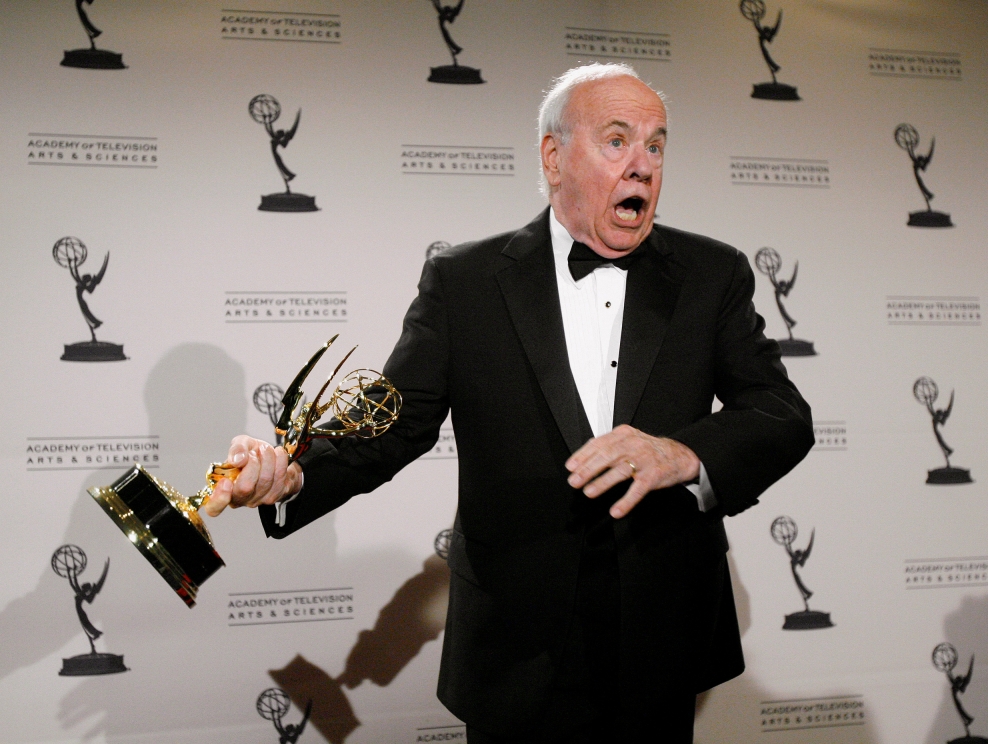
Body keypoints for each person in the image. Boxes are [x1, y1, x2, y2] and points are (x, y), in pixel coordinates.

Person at [205, 63, 813, 742]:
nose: (642, 165)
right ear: (555, 157)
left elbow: (779, 413)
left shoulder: (712, 273)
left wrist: (682, 454)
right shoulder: (465, 281)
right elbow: (395, 421)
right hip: (515, 647)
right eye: (617, 141)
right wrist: (295, 470)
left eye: (656, 144)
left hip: (659, 634)